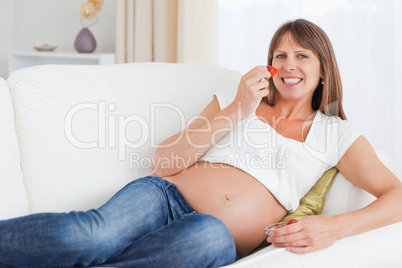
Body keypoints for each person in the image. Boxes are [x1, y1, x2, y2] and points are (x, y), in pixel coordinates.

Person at [1, 18, 401, 267]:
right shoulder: (239, 96)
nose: (288, 65)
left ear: (322, 68)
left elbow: (395, 195)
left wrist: (336, 227)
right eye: (279, 55)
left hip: (217, 235)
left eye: (302, 56)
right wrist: (237, 109)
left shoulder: (335, 133)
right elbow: (165, 161)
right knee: (92, 236)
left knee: (203, 238)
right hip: (163, 195)